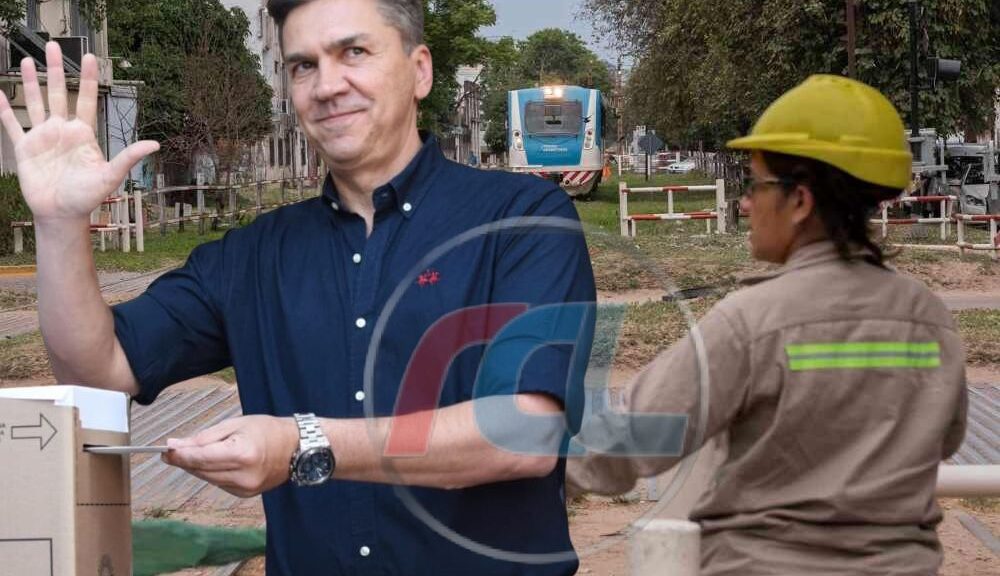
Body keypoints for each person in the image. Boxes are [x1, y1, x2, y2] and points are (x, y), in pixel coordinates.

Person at [0, 0, 595, 574]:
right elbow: (99, 370)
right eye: (304, 65)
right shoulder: (254, 255)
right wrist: (59, 223)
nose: (327, 85)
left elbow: (525, 432)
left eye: (353, 52)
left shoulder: (521, 220)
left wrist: (303, 442)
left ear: (420, 71)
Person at [567, 75, 967, 575]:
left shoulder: (753, 320)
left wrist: (541, 465)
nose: (745, 203)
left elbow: (637, 434)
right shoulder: (929, 317)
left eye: (756, 186)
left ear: (800, 202)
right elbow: (948, 438)